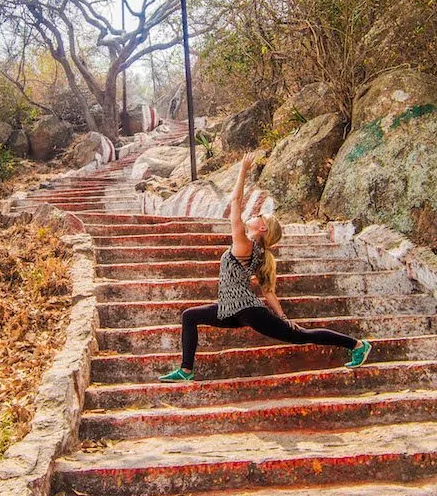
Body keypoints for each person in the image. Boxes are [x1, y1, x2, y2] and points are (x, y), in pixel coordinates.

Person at [159, 152, 372, 382]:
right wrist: (281, 315)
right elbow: (267, 290)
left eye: (260, 216)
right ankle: (186, 370)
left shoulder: (244, 245)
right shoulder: (259, 253)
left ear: (262, 228)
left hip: (247, 311)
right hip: (230, 311)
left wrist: (242, 170)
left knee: (300, 336)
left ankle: (357, 345)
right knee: (189, 316)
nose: (255, 215)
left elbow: (234, 203)